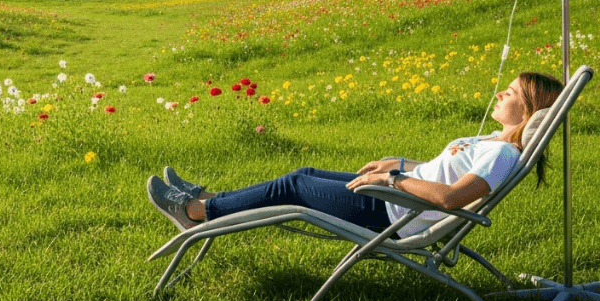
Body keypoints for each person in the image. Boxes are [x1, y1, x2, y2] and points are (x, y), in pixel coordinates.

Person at [147, 71, 563, 238]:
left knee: (295, 185)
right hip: (397, 198)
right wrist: (399, 163)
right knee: (304, 173)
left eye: (508, 93)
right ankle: (207, 203)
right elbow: (442, 172)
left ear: (525, 109)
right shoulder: (494, 141)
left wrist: (393, 181)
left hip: (394, 214)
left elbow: (452, 198)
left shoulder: (503, 156)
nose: (499, 94)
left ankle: (198, 212)